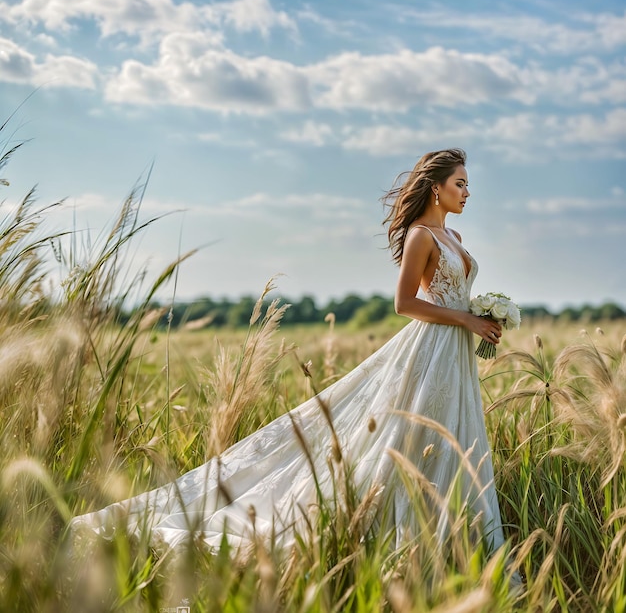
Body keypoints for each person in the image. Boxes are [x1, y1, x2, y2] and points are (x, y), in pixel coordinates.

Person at [70, 148, 506, 558]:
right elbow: (405, 304)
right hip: (430, 347)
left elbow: (455, 294)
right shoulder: (420, 236)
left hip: (456, 351)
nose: (467, 193)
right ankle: (395, 531)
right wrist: (468, 320)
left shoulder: (454, 234)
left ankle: (454, 535)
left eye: (467, 186)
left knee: (455, 432)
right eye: (461, 184)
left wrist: (484, 315)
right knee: (407, 435)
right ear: (437, 188)